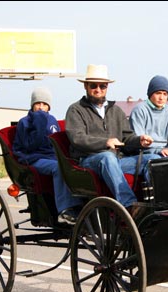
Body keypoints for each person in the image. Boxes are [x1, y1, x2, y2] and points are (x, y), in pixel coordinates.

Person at [65, 64, 154, 216]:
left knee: (153, 158)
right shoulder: (76, 110)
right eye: (93, 85)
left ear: (107, 87)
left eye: (102, 86)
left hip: (117, 160)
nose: (98, 89)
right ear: (86, 86)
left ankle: (156, 204)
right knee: (107, 157)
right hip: (89, 161)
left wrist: (139, 140)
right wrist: (105, 142)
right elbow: (77, 138)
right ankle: (129, 206)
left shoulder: (116, 111)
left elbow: (127, 138)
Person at [12, 87, 82, 224]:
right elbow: (30, 145)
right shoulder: (24, 122)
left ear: (49, 106)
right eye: (38, 104)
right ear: (32, 105)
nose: (41, 107)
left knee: (75, 166)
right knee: (58, 167)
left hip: (52, 157)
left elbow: (55, 143)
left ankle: (81, 205)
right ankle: (65, 210)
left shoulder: (52, 120)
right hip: (34, 158)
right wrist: (39, 121)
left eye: (44, 104)